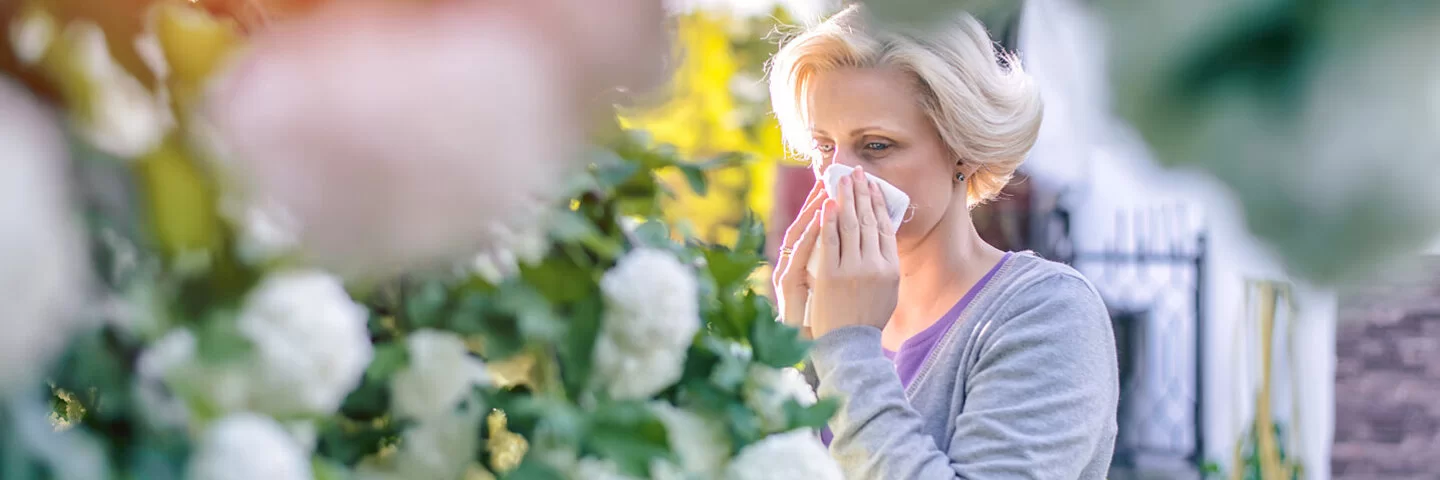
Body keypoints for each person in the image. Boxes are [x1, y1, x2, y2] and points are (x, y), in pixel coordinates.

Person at [767, 5, 1118, 479]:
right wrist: (792, 354)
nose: (837, 177)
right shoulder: (822, 314)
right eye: (824, 147)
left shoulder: (1047, 312)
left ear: (962, 148)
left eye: (876, 146)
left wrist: (847, 347)